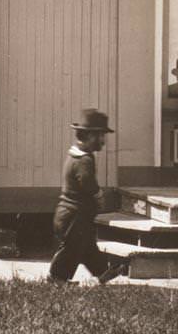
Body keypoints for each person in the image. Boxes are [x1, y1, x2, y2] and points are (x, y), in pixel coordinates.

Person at [48, 109, 127, 285]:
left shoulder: (76, 155)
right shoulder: (84, 160)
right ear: (90, 135)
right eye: (101, 136)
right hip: (74, 214)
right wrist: (98, 195)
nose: (103, 142)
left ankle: (103, 271)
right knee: (72, 248)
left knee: (87, 246)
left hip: (75, 214)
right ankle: (56, 277)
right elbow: (86, 182)